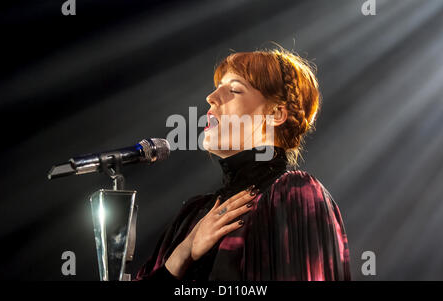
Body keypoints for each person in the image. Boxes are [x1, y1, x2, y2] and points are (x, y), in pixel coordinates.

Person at [135, 48, 351, 281]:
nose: (211, 97)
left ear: (276, 113)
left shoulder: (295, 194)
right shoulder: (193, 214)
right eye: (217, 87)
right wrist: (181, 256)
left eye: (235, 89)